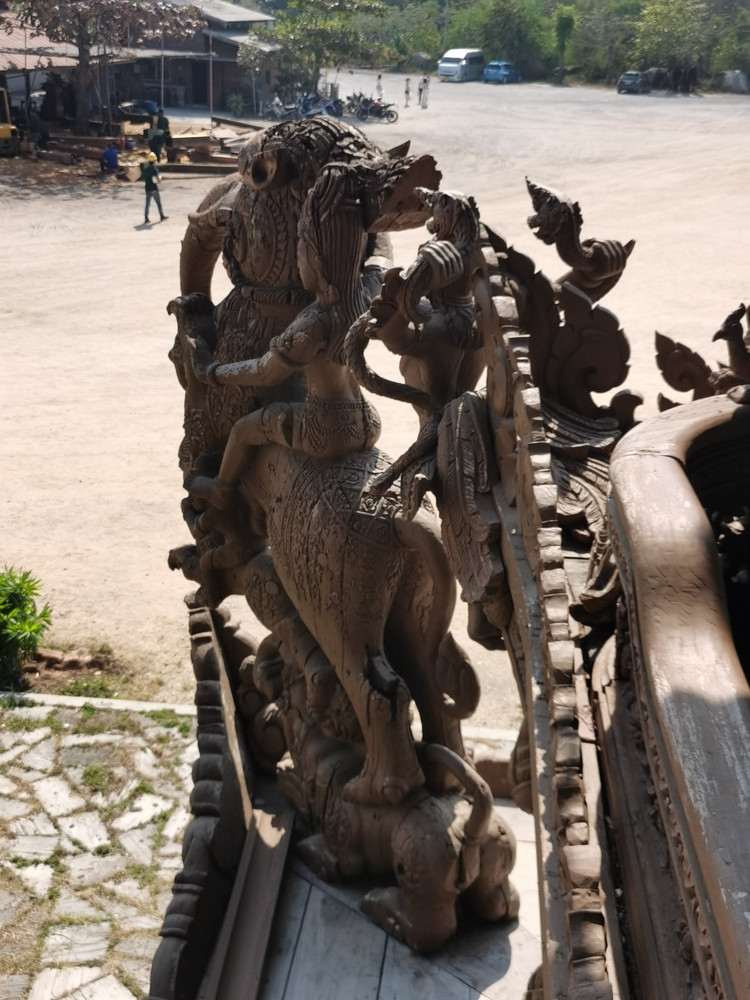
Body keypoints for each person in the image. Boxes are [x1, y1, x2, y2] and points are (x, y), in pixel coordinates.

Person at [140, 151, 167, 224]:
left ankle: (146, 218)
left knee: (147, 204)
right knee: (158, 203)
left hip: (147, 188)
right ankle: (161, 216)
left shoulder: (145, 169)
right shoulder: (154, 169)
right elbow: (158, 178)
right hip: (154, 188)